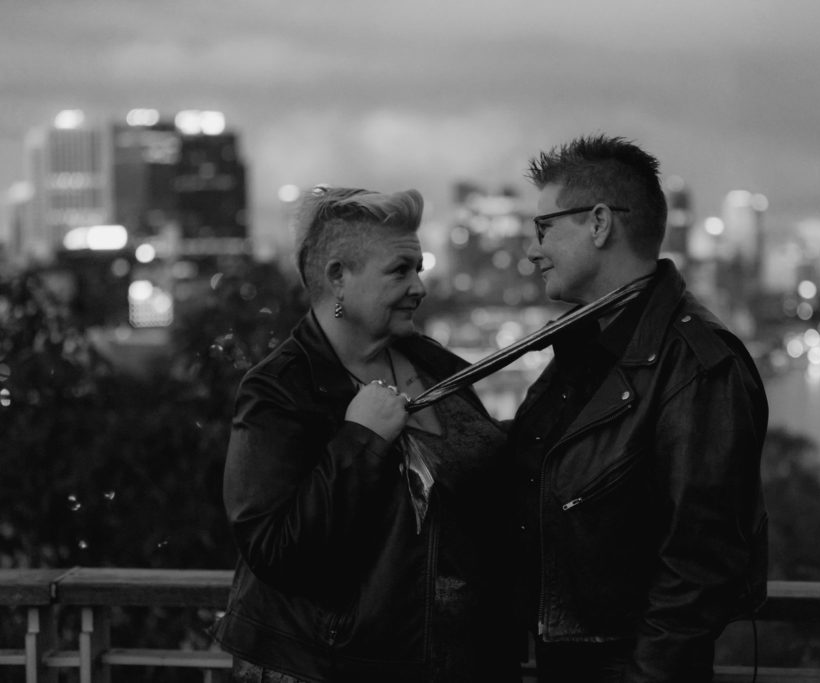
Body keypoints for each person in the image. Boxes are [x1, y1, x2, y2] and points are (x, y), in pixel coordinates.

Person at [213, 187, 519, 683]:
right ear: (338, 276)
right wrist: (360, 437)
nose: (418, 286)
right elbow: (272, 548)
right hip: (328, 668)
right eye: (400, 271)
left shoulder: (435, 364)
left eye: (418, 268)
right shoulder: (280, 389)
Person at [508, 135, 769, 682]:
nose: (531, 249)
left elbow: (699, 573)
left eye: (543, 227)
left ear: (600, 223)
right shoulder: (582, 348)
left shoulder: (698, 366)